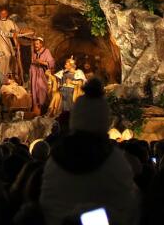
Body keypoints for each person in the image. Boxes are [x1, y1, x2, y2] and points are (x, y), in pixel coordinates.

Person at [40, 79, 140, 225]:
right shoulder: (115, 162)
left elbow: (48, 204)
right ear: (104, 119)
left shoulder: (54, 161)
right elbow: (127, 207)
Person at [29, 36, 55, 115]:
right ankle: (36, 109)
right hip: (34, 74)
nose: (35, 45)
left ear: (41, 44)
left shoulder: (46, 51)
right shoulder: (34, 52)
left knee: (42, 89)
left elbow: (52, 63)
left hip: (42, 74)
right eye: (34, 44)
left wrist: (42, 62)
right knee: (34, 90)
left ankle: (43, 108)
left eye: (37, 44)